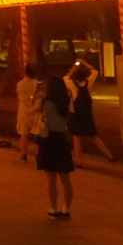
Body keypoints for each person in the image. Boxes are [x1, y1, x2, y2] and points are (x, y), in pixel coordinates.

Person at [36, 76, 75, 219]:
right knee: (65, 178)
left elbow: (34, 112)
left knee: (51, 178)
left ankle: (54, 208)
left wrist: (37, 95)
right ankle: (67, 209)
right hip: (62, 140)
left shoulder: (45, 102)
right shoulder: (66, 101)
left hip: (48, 139)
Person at [65, 61, 114, 164]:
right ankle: (109, 155)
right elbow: (94, 71)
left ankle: (79, 161)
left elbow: (65, 79)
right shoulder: (89, 82)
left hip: (75, 114)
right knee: (93, 136)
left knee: (76, 138)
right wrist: (83, 61)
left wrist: (73, 69)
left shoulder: (72, 85)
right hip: (87, 114)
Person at [16, 65, 40, 161]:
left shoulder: (20, 84)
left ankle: (24, 153)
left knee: (24, 133)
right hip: (35, 108)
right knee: (36, 133)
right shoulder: (37, 84)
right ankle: (37, 153)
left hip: (24, 109)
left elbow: (18, 95)